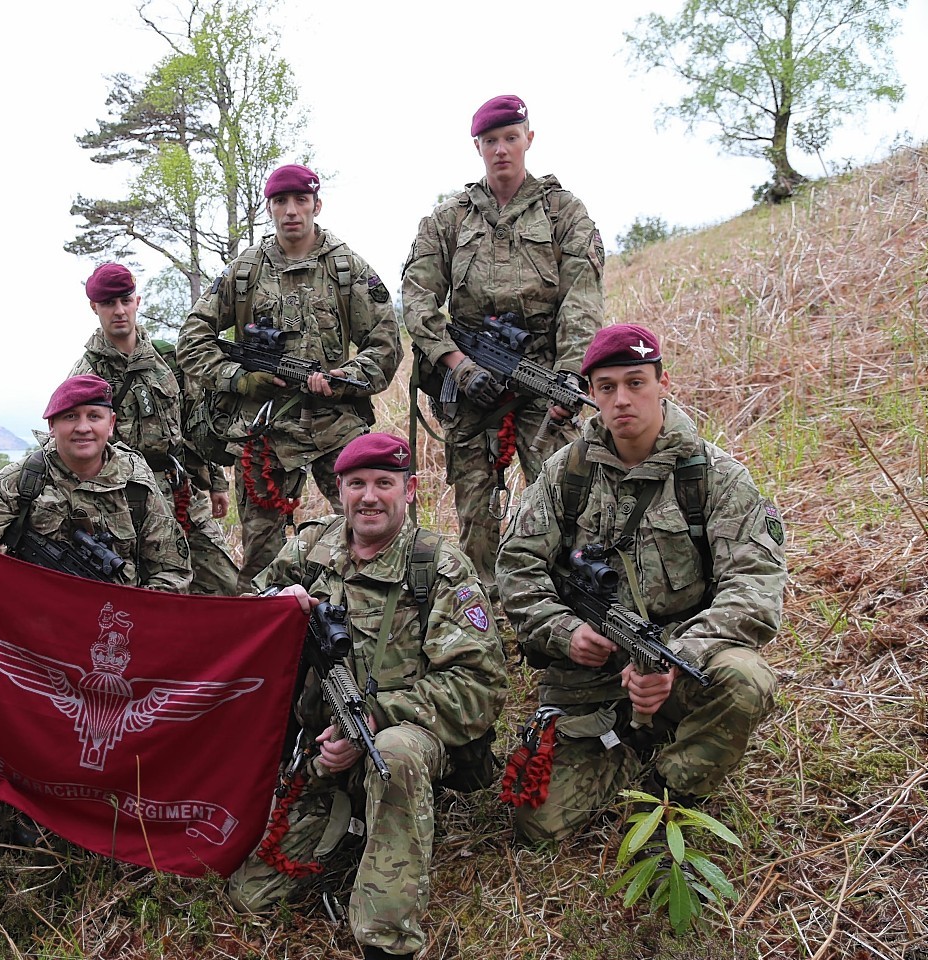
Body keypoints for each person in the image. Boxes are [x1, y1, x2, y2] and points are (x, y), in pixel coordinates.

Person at [496, 324, 786, 843]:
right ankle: (625, 742)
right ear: (592, 395)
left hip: (680, 664)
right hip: (591, 678)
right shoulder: (567, 474)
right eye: (606, 387)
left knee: (746, 680)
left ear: (663, 383)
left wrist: (678, 658)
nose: (622, 399)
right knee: (537, 824)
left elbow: (756, 588)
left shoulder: (715, 477)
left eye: (636, 382)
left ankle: (668, 795)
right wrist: (564, 632)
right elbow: (517, 567)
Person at [229, 433, 508, 960]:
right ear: (340, 490)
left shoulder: (438, 568)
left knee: (395, 758)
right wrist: (273, 605)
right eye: (358, 484)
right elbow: (242, 622)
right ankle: (356, 826)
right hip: (320, 750)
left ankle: (387, 939)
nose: (371, 497)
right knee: (252, 897)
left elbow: (480, 685)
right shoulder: (309, 549)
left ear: (410, 489)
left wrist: (379, 718)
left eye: (385, 483)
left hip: (402, 742)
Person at [401, 94, 605, 610]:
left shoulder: (565, 212)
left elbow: (582, 298)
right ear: (477, 147)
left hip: (542, 373)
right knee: (475, 507)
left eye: (511, 137)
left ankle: (567, 607)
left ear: (528, 139)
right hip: (472, 380)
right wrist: (457, 365)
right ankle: (485, 617)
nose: (501, 150)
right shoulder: (447, 220)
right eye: (490, 141)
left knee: (566, 495)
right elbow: (417, 296)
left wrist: (569, 379)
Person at [177, 163, 402, 591]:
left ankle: (363, 627)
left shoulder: (347, 269)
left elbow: (386, 345)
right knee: (262, 561)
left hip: (336, 429)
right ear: (270, 208)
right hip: (263, 434)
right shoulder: (245, 272)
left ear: (317, 205)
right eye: (281, 201)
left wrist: (343, 378)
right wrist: (239, 379)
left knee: (366, 538)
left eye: (301, 200)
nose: (291, 211)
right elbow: (192, 338)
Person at [68, 262, 239, 594]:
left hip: (180, 488)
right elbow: (75, 451)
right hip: (128, 501)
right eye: (108, 303)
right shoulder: (86, 376)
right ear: (94, 308)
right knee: (156, 593)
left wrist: (216, 482)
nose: (119, 311)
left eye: (125, 300)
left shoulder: (167, 359)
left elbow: (196, 424)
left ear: (137, 301)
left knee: (226, 584)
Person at [0, 373, 191, 592]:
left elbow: (172, 572)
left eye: (94, 416)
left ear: (111, 423)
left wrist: (135, 615)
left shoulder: (136, 482)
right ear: (51, 425)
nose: (83, 427)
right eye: (70, 417)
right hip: (33, 625)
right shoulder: (22, 480)